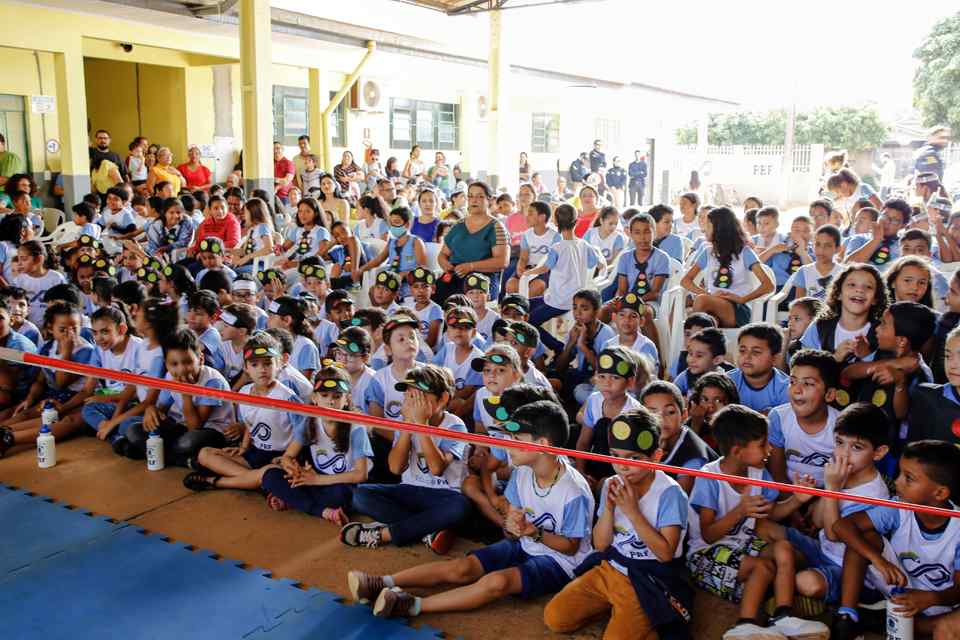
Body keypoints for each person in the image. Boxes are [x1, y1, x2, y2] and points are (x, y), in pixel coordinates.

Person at [349, 399, 593, 620]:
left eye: (517, 440)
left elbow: (571, 548)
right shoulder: (522, 471)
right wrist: (511, 524)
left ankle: (413, 605)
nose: (508, 445)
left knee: (497, 582)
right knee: (462, 567)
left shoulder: (573, 492)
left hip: (560, 562)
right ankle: (381, 582)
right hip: (528, 542)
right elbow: (512, 519)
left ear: (542, 445)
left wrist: (532, 533)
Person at [545, 406, 693, 639]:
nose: (623, 466)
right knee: (556, 618)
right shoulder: (612, 484)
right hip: (610, 569)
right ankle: (621, 612)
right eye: (616, 456)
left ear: (656, 456)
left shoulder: (670, 494)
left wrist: (633, 512)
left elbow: (665, 554)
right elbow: (601, 545)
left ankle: (646, 623)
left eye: (634, 458)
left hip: (647, 579)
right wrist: (610, 509)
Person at [687, 405, 828, 640]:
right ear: (738, 451)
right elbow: (708, 534)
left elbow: (771, 512)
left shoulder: (758, 473)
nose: (769, 449)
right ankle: (745, 623)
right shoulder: (710, 477)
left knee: (784, 548)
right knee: (762, 567)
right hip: (706, 553)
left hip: (743, 545)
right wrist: (740, 511)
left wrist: (796, 500)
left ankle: (783, 616)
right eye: (762, 444)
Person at [832, 440, 960, 640]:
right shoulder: (899, 507)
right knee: (865, 538)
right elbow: (841, 526)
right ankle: (847, 618)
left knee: (945, 626)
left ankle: (890, 622)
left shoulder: (958, 528)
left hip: (942, 602)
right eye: (900, 473)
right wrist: (878, 560)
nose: (897, 482)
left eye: (908, 478)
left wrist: (930, 599)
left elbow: (958, 591)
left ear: (940, 493)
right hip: (902, 588)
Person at [344, 364, 471, 554]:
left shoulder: (455, 425)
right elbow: (395, 468)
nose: (412, 401)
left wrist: (421, 425)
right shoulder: (404, 423)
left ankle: (384, 534)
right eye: (409, 395)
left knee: (460, 507)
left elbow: (436, 468)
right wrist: (407, 427)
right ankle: (427, 530)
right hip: (410, 489)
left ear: (443, 398)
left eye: (419, 396)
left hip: (443, 494)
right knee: (361, 495)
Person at [184, 333, 306, 491]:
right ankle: (258, 480)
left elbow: (302, 433)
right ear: (246, 367)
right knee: (204, 454)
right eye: (254, 364)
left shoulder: (287, 396)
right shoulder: (244, 392)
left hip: (280, 457)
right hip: (255, 454)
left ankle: (218, 481)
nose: (262, 369)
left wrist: (287, 457)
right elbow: (250, 424)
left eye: (268, 364)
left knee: (275, 472)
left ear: (280, 364)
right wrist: (244, 447)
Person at [262, 364, 373, 521]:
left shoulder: (356, 428)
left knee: (342, 495)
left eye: (336, 396)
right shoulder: (309, 421)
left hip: (342, 483)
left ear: (347, 399)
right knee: (270, 476)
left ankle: (297, 501)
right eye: (325, 395)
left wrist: (316, 480)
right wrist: (295, 470)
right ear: (314, 398)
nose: (330, 402)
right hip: (316, 479)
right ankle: (323, 511)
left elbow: (361, 475)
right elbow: (287, 456)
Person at [680, 207, 774, 328]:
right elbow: (685, 281)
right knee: (708, 318)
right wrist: (707, 294)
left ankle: (690, 343)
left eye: (708, 226)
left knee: (701, 302)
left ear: (720, 229)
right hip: (711, 304)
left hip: (737, 308)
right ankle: (703, 342)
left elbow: (768, 285)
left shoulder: (744, 252)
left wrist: (742, 299)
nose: (704, 230)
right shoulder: (707, 252)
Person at [640, 380, 717, 494]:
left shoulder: (694, 455)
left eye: (670, 412)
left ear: (684, 415)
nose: (661, 419)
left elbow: (678, 498)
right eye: (652, 413)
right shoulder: (644, 437)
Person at [437, 181, 509, 301]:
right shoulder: (458, 225)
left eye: (479, 196)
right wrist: (445, 263)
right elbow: (443, 254)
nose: (474, 200)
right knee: (436, 293)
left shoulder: (496, 227)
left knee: (464, 301)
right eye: (470, 196)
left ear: (489, 200)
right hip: (456, 275)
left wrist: (471, 266)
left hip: (483, 278)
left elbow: (502, 262)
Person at [728, 323, 790, 415]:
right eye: (742, 351)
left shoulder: (785, 388)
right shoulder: (728, 381)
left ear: (775, 358)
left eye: (756, 352)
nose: (747, 357)